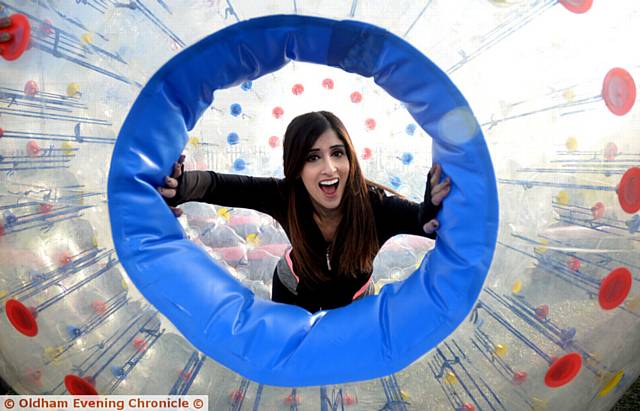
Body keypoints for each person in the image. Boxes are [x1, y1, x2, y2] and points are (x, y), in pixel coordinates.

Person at [160, 111, 450, 313]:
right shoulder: (287, 196)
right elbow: (222, 185)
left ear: (350, 158)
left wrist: (433, 207)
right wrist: (180, 185)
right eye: (313, 157)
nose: (329, 168)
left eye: (337, 153)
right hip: (292, 289)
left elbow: (422, 221)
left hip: (355, 300)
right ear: (297, 168)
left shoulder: (376, 206)